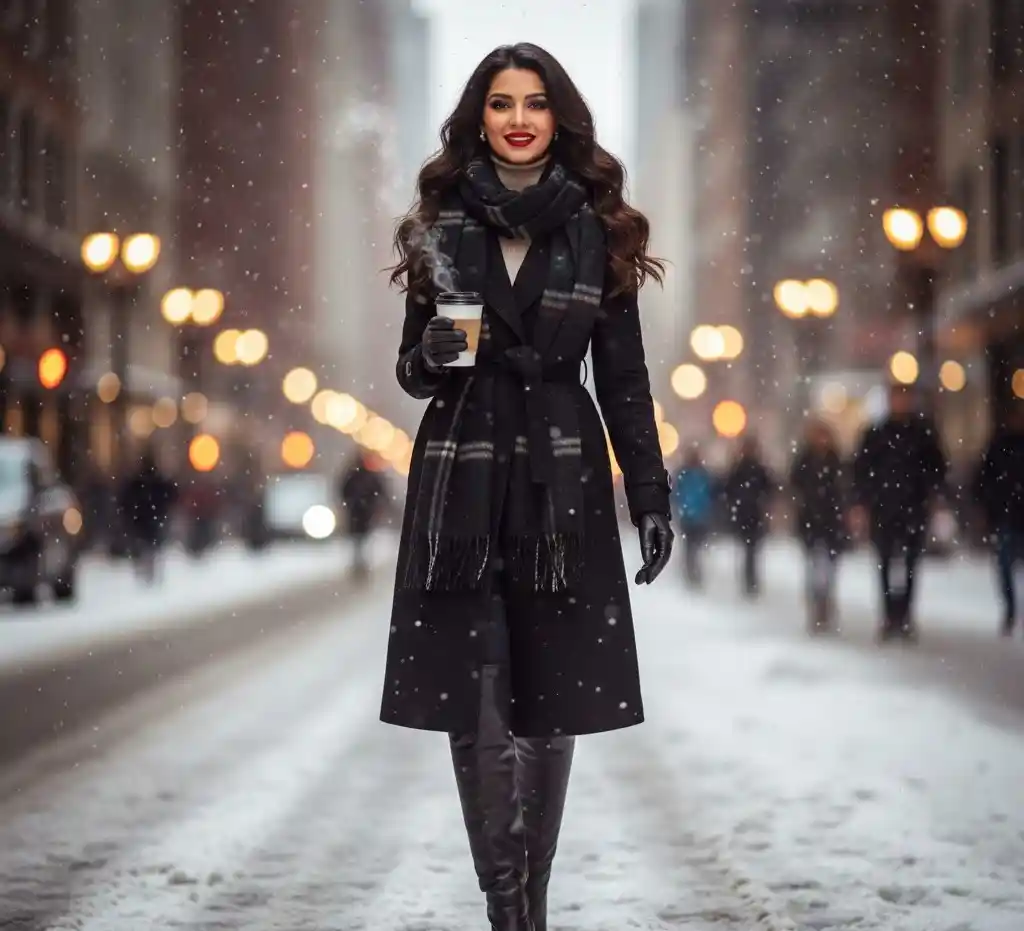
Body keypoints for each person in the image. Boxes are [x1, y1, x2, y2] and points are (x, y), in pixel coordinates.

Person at [382, 43, 674, 930]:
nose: (518, 118)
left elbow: (623, 379)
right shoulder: (440, 223)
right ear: (480, 117)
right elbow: (412, 366)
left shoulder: (599, 227)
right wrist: (430, 358)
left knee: (552, 699)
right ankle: (505, 905)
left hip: (563, 483)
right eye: (502, 102)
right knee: (475, 705)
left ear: (559, 118)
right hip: (460, 482)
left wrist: (651, 495)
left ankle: (528, 902)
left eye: (536, 103)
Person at [853, 383, 947, 640]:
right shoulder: (876, 433)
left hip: (913, 508)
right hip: (883, 509)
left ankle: (904, 615)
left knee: (910, 565)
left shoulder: (922, 433)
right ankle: (889, 615)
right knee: (884, 563)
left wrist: (932, 493)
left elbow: (936, 467)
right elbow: (861, 470)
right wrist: (863, 501)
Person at [789, 420, 847, 631]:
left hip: (832, 521)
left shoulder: (836, 462)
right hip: (811, 521)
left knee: (829, 567)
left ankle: (825, 603)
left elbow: (844, 489)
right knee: (813, 566)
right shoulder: (804, 461)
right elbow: (794, 485)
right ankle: (816, 605)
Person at [972, 403, 1024, 635]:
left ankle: (1011, 610)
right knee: (1004, 566)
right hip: (1006, 514)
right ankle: (1011, 610)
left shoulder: (1000, 447)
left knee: (1005, 565)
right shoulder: (999, 447)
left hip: (1010, 513)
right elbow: (984, 480)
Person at [724, 435, 775, 597]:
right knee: (749, 550)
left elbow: (769, 489)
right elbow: (729, 489)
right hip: (746, 514)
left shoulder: (756, 469)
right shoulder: (741, 468)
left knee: (751, 550)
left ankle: (750, 579)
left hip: (753, 514)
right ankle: (749, 580)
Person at [120, 451, 177, 584]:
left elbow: (126, 500)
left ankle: (145, 575)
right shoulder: (155, 481)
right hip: (152, 520)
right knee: (151, 549)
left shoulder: (137, 482)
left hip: (143, 520)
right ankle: (149, 575)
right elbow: (170, 495)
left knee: (145, 548)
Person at [338, 451, 387, 577]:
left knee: (358, 539)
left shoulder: (353, 475)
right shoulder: (367, 476)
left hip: (357, 511)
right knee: (361, 539)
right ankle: (360, 563)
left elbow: (343, 490)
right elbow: (380, 491)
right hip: (363, 512)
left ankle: (359, 563)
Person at [673, 445, 715, 588]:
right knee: (692, 546)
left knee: (693, 546)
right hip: (693, 516)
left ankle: (692, 570)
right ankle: (692, 571)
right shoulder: (695, 474)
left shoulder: (689, 474)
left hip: (694, 515)